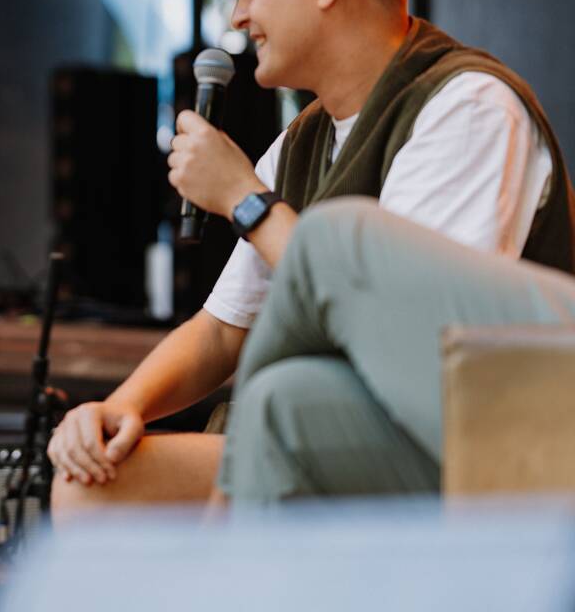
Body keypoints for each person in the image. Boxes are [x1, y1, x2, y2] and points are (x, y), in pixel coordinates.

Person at [47, 0, 575, 514]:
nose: (237, 18)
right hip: (325, 431)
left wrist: (244, 199)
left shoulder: (469, 108)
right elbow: (222, 332)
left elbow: (406, 331)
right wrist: (117, 409)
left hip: (470, 456)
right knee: (92, 486)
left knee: (291, 378)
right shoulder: (301, 141)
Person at [224, 195, 575, 501]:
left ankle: (223, 508)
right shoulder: (295, 151)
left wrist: (243, 198)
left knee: (329, 240)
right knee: (276, 405)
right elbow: (220, 330)